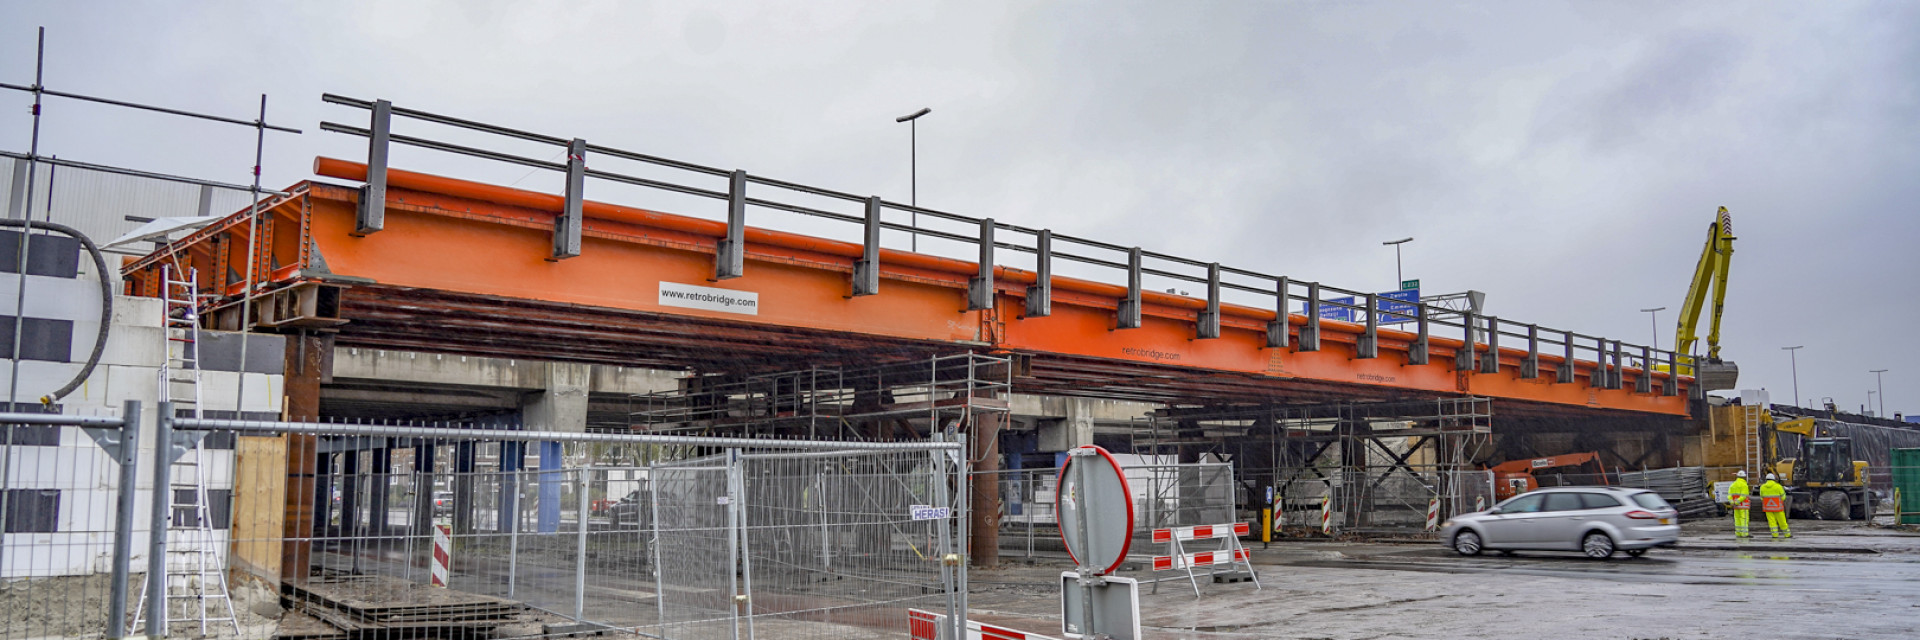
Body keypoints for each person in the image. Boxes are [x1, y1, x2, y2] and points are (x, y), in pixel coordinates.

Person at [1758, 473, 1792, 539]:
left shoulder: (1762, 487)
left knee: (1772, 522)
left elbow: (1762, 498)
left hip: (1768, 508)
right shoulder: (1778, 486)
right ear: (1773, 479)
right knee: (1782, 521)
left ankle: (1775, 535)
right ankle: (1787, 534)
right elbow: (1783, 497)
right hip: (1778, 508)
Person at [1726, 470, 1751, 539]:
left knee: (1737, 519)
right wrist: (1738, 501)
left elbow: (1729, 495)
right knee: (1744, 519)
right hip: (1743, 505)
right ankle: (1744, 534)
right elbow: (1744, 496)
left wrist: (1732, 502)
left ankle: (1738, 533)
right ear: (1744, 477)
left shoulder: (1733, 485)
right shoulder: (1744, 485)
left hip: (1735, 506)